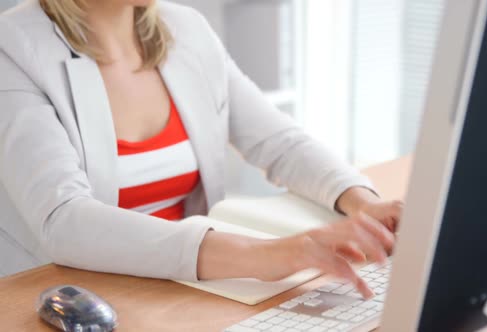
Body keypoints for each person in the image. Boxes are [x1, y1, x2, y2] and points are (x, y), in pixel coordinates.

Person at [0, 0, 402, 298]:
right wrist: (266, 255)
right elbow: (64, 219)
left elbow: (279, 142)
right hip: (67, 294)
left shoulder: (185, 28)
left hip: (181, 285)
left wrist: (363, 203)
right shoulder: (12, 48)